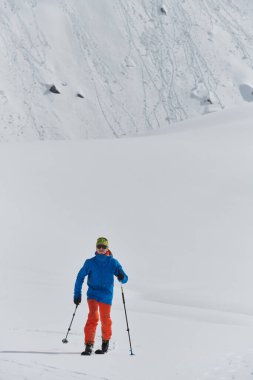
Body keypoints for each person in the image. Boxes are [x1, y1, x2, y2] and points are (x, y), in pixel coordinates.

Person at [74, 237, 128, 355]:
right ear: (96, 248)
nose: (101, 249)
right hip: (93, 294)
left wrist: (121, 276)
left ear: (108, 248)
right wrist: (77, 294)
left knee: (105, 320)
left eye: (104, 247)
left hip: (106, 296)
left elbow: (125, 279)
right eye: (99, 246)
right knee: (93, 317)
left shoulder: (113, 263)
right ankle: (88, 345)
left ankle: (105, 343)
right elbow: (80, 277)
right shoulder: (90, 262)